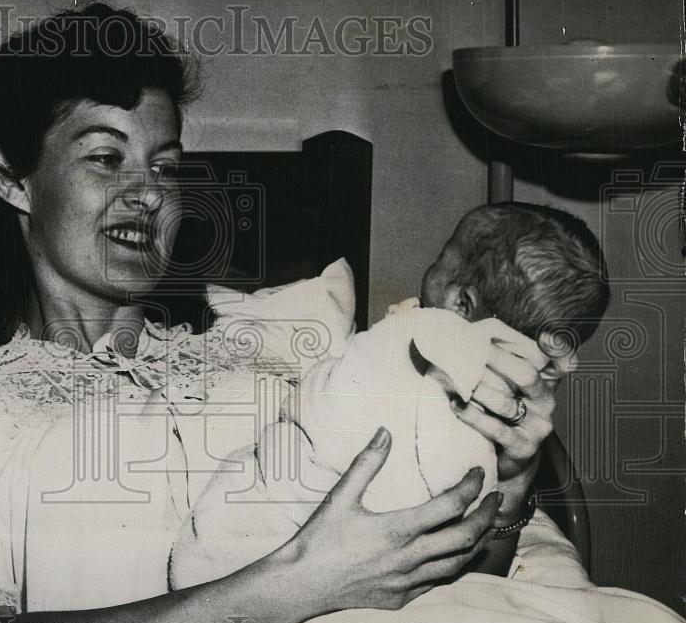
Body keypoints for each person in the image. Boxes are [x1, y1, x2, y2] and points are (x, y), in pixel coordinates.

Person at [0, 2, 560, 623]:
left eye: (166, 166)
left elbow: (439, 575)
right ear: (11, 178)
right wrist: (292, 588)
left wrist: (511, 480)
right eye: (105, 157)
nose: (148, 192)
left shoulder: (280, 366)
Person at [171, 204, 609, 589]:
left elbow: (326, 392)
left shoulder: (421, 352)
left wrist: (517, 481)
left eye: (441, 259)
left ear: (460, 303)